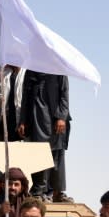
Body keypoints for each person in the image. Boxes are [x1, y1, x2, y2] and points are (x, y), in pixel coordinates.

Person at [20, 70, 73, 203]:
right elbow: (25, 97)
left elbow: (64, 95)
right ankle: (38, 191)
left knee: (57, 155)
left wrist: (61, 117)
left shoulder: (58, 68)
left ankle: (58, 192)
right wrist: (23, 120)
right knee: (38, 154)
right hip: (36, 118)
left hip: (55, 119)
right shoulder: (31, 70)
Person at [0, 65, 27, 141]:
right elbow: (0, 95)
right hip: (9, 117)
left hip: (22, 116)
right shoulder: (7, 73)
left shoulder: (26, 73)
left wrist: (23, 121)